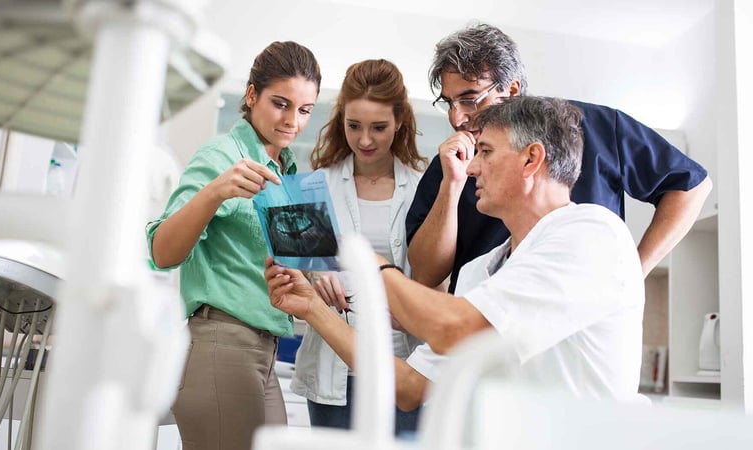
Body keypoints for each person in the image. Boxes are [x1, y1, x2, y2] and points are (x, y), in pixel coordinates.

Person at [265, 96, 646, 412]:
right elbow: (410, 387)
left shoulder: (591, 232)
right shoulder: (485, 269)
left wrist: (369, 264)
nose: (473, 168)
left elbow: (455, 328)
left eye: (485, 152)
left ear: (531, 159)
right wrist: (311, 307)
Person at [406, 23, 712, 293]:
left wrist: (633, 276)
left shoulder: (595, 127)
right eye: (448, 102)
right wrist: (452, 183)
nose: (456, 117)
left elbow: (690, 186)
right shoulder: (453, 163)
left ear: (511, 90)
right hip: (483, 331)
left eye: (470, 99)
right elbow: (426, 273)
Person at [146, 41, 321, 450]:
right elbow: (160, 253)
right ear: (251, 94)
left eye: (305, 109)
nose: (292, 121)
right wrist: (214, 194)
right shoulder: (220, 155)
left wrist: (322, 274)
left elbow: (298, 267)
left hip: (267, 351)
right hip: (222, 342)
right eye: (281, 103)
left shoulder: (289, 173)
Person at [294, 59, 427, 435]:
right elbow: (295, 265)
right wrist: (315, 272)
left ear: (399, 121)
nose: (365, 140)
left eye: (378, 127)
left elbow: (434, 276)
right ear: (341, 121)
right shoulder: (314, 187)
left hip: (401, 363)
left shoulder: (423, 190)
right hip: (332, 367)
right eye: (354, 126)